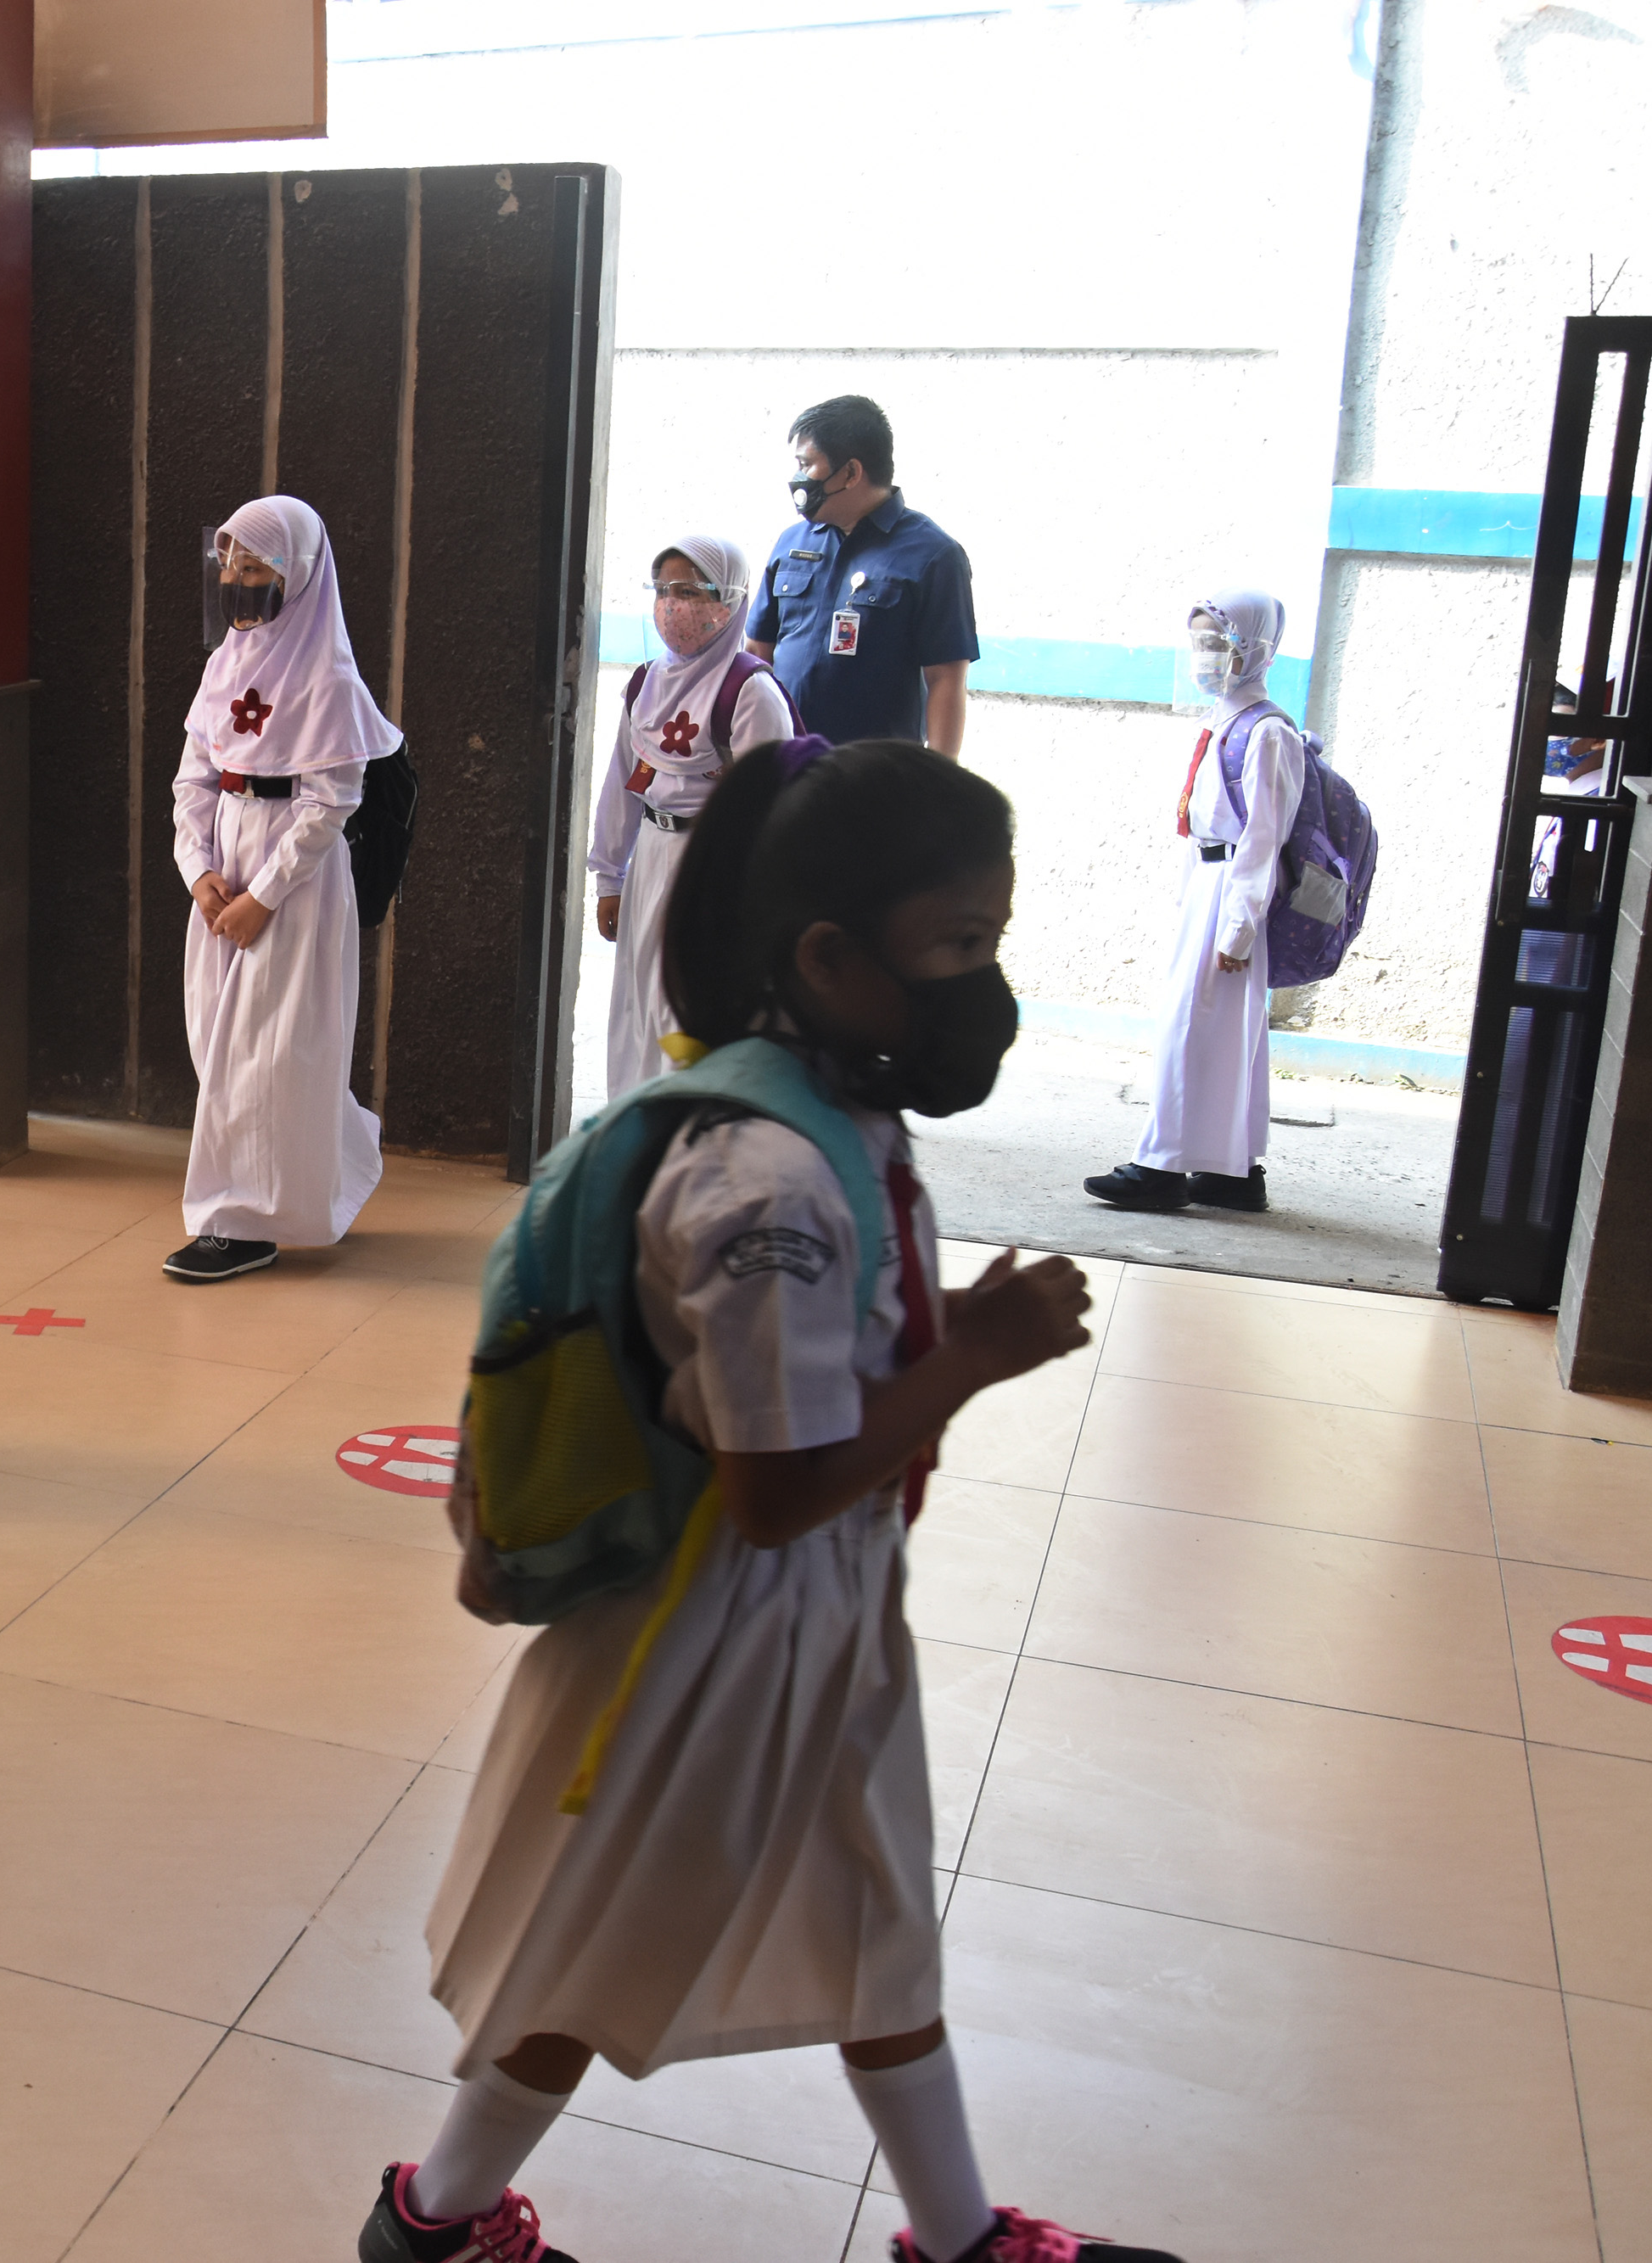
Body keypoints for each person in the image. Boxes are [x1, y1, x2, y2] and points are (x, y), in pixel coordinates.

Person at [367, 739, 1187, 2263]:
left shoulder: (827, 1113)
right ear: (828, 953)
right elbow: (775, 1483)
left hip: (821, 1611)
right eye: (958, 945)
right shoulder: (765, 1188)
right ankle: (438, 2219)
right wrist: (980, 1354)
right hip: (718, 1631)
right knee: (594, 1932)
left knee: (881, 1924)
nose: (981, 980)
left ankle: (957, 2235)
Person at [166, 495, 395, 1284]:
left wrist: (263, 894)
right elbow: (194, 776)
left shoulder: (327, 677)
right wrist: (198, 869)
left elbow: (332, 799)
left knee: (264, 1052)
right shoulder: (226, 659)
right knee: (218, 1038)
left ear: (295, 575)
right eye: (228, 564)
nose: (237, 579)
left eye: (255, 567)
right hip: (223, 859)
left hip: (289, 878)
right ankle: (340, 1151)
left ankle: (242, 1223)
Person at [1086, 591, 1303, 1216]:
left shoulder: (1267, 733)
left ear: (1254, 648)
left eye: (1217, 642)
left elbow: (1263, 839)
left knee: (1193, 1028)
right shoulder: (1226, 724)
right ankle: (1230, 1170)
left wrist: (1237, 928)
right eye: (1199, 642)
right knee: (1216, 1032)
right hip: (1210, 885)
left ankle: (1160, 1167)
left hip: (1233, 891)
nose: (1204, 657)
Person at [589, 534, 793, 1098]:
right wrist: (609, 875)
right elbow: (623, 786)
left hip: (714, 865)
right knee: (638, 1005)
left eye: (688, 590)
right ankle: (635, 1126)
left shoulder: (750, 692)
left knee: (692, 1003)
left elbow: (768, 809)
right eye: (661, 590)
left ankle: (686, 1131)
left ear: (727, 600)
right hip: (652, 854)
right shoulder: (645, 682)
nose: (672, 605)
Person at [744, 396, 977, 755]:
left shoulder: (933, 556)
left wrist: (936, 784)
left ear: (851, 473)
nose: (799, 480)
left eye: (807, 465)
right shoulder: (791, 542)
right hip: (783, 765)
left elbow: (946, 679)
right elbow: (759, 651)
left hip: (873, 779)